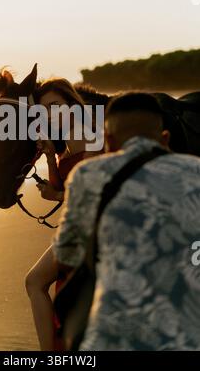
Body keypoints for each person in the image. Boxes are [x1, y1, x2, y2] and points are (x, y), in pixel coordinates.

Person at [53, 91, 200, 350]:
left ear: (108, 141)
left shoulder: (88, 175)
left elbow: (65, 257)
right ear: (165, 138)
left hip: (112, 340)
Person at [25, 77, 103, 350]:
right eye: (44, 111)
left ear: (72, 103)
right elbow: (62, 185)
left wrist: (56, 196)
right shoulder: (67, 138)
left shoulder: (94, 135)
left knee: (35, 281)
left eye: (56, 106)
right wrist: (49, 157)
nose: (51, 115)